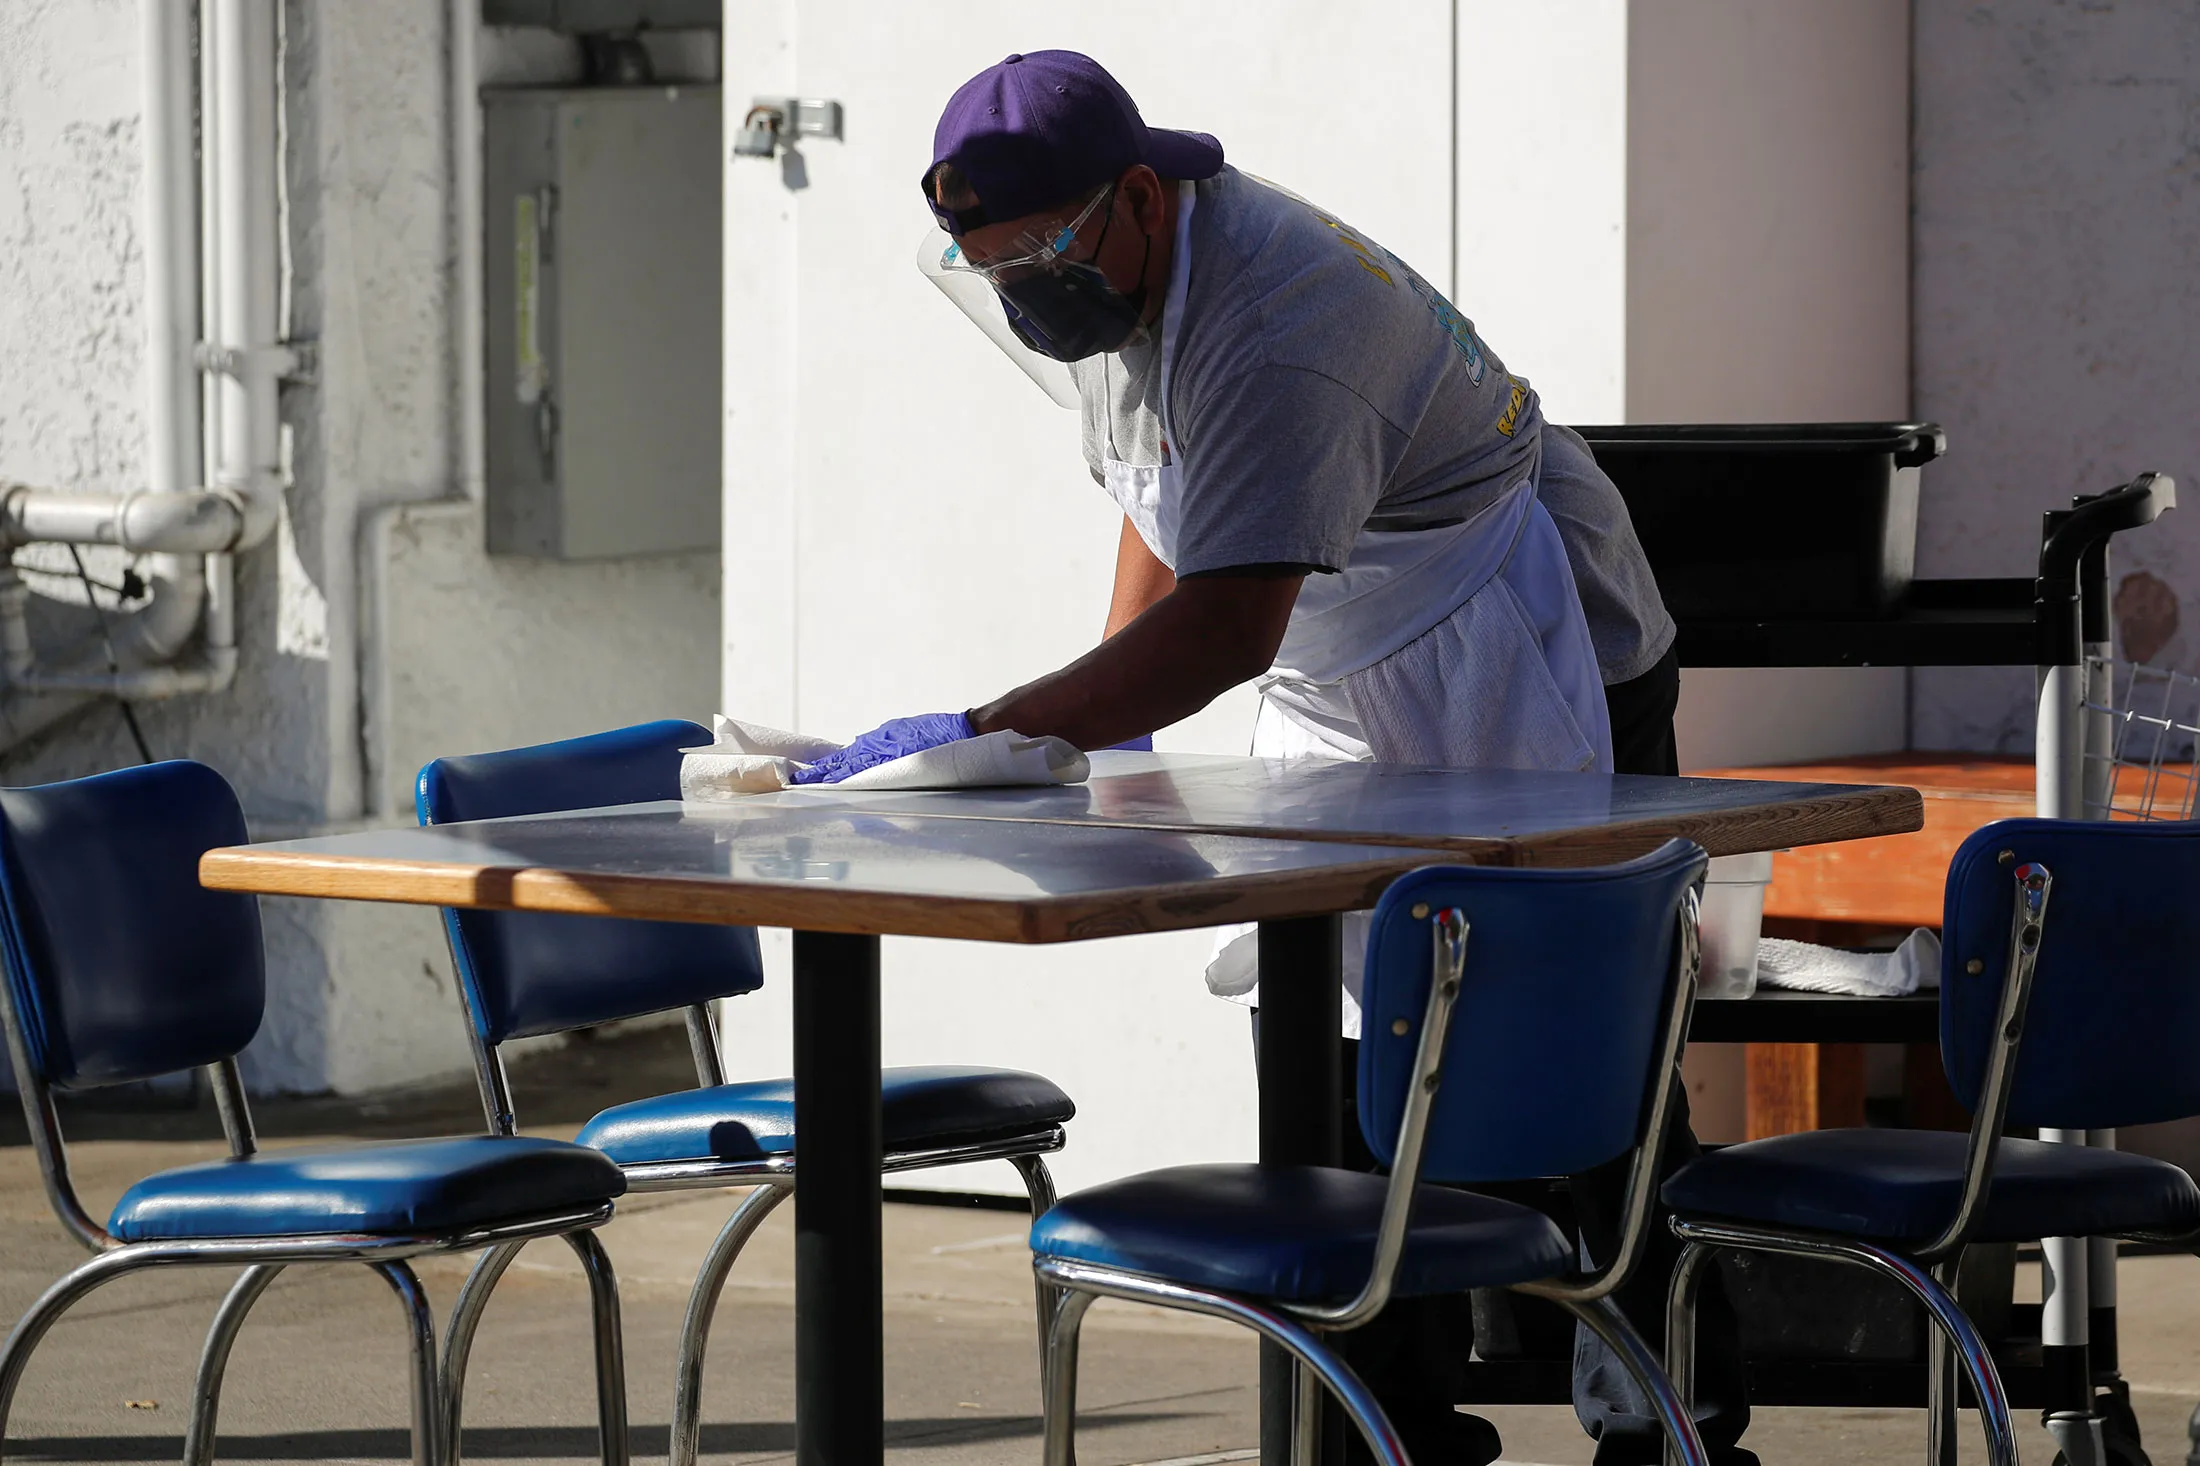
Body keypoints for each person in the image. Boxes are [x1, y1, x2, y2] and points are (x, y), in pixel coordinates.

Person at [799, 49, 1750, 1466]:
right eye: (992, 271)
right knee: (1334, 1042)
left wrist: (1012, 721)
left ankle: (1672, 1421)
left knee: (1578, 1036)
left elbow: (1231, 623)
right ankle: (1390, 1421)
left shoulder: (1281, 318)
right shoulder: (1131, 275)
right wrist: (1072, 727)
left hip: (1529, 641)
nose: (1028, 294)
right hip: (1356, 667)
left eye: (1041, 258)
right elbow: (1165, 492)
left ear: (1137, 195)